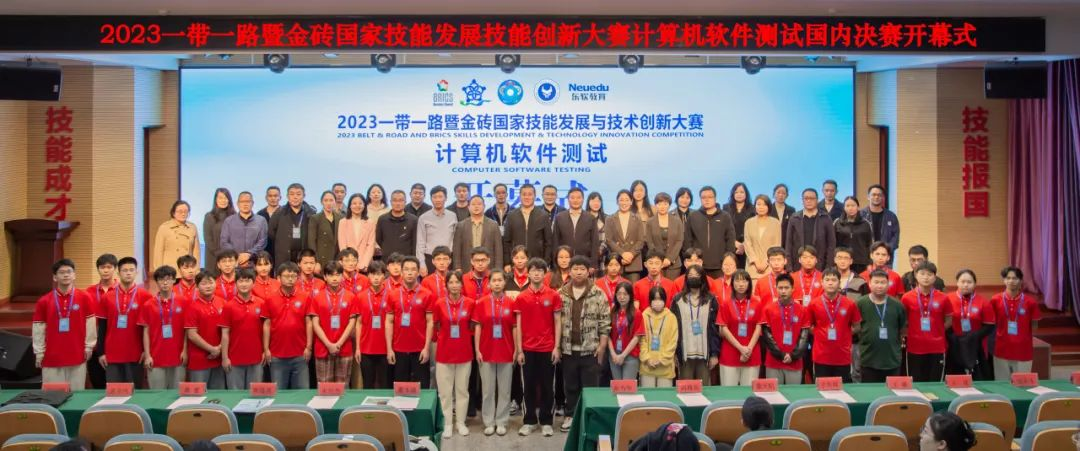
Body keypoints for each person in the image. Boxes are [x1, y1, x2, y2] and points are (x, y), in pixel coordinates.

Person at [558, 256, 610, 432]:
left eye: (582, 269)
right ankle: (570, 416)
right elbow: (555, 322)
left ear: (588, 272)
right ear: (570, 271)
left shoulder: (598, 293)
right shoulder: (561, 293)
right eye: (575, 269)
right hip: (568, 349)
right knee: (570, 386)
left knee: (590, 387)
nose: (578, 272)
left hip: (591, 349)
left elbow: (605, 323)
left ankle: (590, 419)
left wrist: (602, 347)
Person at [514, 258, 562, 437]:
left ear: (545, 273)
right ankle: (529, 421)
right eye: (533, 270)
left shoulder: (553, 295)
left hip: (548, 348)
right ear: (528, 273)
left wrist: (556, 347)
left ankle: (546, 421)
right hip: (527, 349)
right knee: (528, 387)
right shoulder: (521, 297)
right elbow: (518, 324)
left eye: (540, 271)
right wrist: (519, 350)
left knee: (548, 387)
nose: (536, 274)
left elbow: (558, 322)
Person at [34, 259, 96, 389]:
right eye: (61, 272)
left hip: (77, 354)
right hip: (52, 356)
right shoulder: (44, 301)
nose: (66, 275)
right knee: (52, 394)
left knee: (77, 394)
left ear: (74, 275)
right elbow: (38, 328)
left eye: (69, 272)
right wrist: (39, 352)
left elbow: (90, 324)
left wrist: (89, 346)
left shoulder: (84, 297)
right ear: (55, 277)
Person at [473, 271, 518, 436]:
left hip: (506, 350)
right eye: (494, 280)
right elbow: (478, 327)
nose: (497, 283)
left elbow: (515, 327)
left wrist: (516, 349)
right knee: (488, 390)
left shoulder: (511, 303)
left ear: (504, 283)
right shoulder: (481, 303)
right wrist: (477, 349)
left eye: (500, 280)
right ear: (489, 283)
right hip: (486, 351)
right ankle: (489, 422)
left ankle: (502, 421)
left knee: (505, 390)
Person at [432, 270, 474, 438]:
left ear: (462, 285)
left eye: (457, 282)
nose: (454, 285)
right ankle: (447, 423)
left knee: (462, 390)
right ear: (446, 285)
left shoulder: (470, 303)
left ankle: (461, 422)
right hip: (444, 354)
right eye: (451, 282)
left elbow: (472, 327)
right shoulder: (439, 304)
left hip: (464, 353)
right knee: (445, 392)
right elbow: (436, 326)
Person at [262, 262, 313, 389]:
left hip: (300, 354)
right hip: (277, 355)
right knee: (279, 394)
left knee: (302, 393)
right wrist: (266, 349)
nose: (290, 279)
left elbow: (309, 322)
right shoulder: (270, 299)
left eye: (293, 276)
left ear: (298, 278)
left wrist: (309, 347)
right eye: (286, 276)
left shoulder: (305, 297)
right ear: (278, 278)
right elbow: (266, 325)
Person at [386, 256, 435, 388]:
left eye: (413, 269)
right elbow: (389, 322)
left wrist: (426, 348)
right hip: (398, 349)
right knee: (400, 389)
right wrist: (389, 349)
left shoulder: (427, 294)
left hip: (420, 349)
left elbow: (430, 322)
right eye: (406, 269)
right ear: (402, 272)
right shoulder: (392, 294)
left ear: (418, 272)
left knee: (422, 388)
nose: (409, 273)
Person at [97, 256, 148, 385]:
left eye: (131, 270)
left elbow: (148, 328)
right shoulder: (107, 297)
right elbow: (102, 327)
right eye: (125, 270)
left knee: (135, 393)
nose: (128, 273)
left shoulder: (145, 296)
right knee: (114, 392)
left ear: (136, 272)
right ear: (118, 273)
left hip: (136, 354)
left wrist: (146, 351)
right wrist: (101, 352)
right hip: (112, 354)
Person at [902, 261, 952, 382]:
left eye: (929, 274)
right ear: (916, 275)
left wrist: (937, 331)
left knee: (935, 383)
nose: (926, 277)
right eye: (922, 274)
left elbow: (949, 320)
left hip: (937, 347)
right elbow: (903, 321)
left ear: (935, 277)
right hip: (914, 347)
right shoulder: (907, 297)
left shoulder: (944, 298)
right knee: (915, 384)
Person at [808, 268, 862, 382]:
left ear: (839, 283)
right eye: (827, 280)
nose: (830, 283)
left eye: (834, 280)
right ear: (822, 283)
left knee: (842, 388)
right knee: (822, 388)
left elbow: (857, 326)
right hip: (821, 356)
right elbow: (809, 326)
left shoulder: (850, 303)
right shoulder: (814, 304)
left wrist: (844, 334)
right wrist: (820, 333)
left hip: (843, 356)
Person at [308, 262, 357, 383]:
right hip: (323, 348)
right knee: (325, 387)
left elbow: (352, 323)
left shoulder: (351, 296)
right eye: (331, 275)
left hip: (344, 348)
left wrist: (339, 343)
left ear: (342, 276)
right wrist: (328, 344)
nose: (335, 278)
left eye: (337, 275)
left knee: (343, 386)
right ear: (325, 277)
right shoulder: (317, 297)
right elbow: (315, 324)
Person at [140, 265, 187, 389]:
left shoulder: (184, 302)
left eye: (168, 279)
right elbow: (146, 331)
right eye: (161, 279)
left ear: (174, 280)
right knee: (157, 394)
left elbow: (187, 330)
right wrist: (148, 355)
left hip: (178, 357)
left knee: (177, 394)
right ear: (156, 281)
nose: (165, 283)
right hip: (156, 357)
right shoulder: (148, 305)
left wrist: (185, 351)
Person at [855, 270, 907, 383]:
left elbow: (902, 329)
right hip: (868, 359)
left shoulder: (897, 305)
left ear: (888, 284)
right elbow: (856, 327)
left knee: (892, 391)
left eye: (883, 282)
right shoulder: (860, 303)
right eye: (876, 282)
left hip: (892, 359)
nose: (879, 286)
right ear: (869, 284)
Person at [991, 266, 1041, 381]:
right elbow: (992, 324)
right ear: (1004, 280)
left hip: (1023, 350)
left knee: (1023, 383)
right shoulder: (995, 300)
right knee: (1002, 383)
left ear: (1021, 280)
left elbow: (1034, 325)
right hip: (1001, 349)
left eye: (1015, 278)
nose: (1011, 281)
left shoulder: (1030, 302)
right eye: (1008, 278)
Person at [760, 273, 810, 384]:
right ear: (776, 288)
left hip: (795, 361)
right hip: (773, 361)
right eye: (780, 288)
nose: (783, 291)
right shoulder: (768, 309)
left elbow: (804, 336)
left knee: (793, 393)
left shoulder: (802, 310)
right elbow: (767, 336)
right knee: (774, 393)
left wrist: (793, 355)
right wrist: (781, 354)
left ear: (793, 289)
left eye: (786, 288)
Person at [220, 268, 265, 389]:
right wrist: (225, 358)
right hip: (234, 359)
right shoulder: (228, 306)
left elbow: (265, 331)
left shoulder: (261, 303)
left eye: (247, 281)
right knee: (235, 396)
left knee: (255, 394)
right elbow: (225, 334)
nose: (244, 284)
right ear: (235, 284)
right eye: (240, 281)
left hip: (256, 358)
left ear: (254, 283)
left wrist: (265, 351)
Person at [946, 269, 995, 379]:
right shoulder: (948, 299)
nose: (966, 285)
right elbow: (943, 320)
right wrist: (952, 336)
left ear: (975, 284)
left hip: (976, 346)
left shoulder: (983, 302)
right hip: (953, 345)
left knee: (977, 379)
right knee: (955, 379)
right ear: (957, 282)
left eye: (969, 282)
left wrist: (973, 336)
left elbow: (989, 326)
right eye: (962, 281)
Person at [716, 269, 760, 386]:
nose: (741, 284)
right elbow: (723, 328)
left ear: (749, 283)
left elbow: (759, 327)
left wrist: (748, 350)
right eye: (737, 281)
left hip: (752, 354)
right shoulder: (725, 303)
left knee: (749, 392)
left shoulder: (757, 302)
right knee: (729, 392)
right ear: (732, 283)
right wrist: (740, 348)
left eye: (744, 281)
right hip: (730, 354)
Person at [185, 270, 226, 389]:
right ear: (197, 287)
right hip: (199, 359)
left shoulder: (222, 302)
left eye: (210, 282)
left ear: (216, 284)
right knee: (198, 394)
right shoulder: (192, 307)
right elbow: (192, 335)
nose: (208, 286)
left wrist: (219, 348)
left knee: (218, 395)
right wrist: (212, 349)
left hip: (219, 357)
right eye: (203, 283)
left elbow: (228, 330)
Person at [686, 186, 736, 279]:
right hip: (699, 265)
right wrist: (692, 260)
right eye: (703, 197)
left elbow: (730, 239)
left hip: (720, 265)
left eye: (710, 197)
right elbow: (688, 240)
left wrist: (728, 260)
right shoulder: (693, 216)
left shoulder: (725, 216)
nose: (707, 200)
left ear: (715, 198)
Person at [355, 261, 392, 389]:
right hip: (366, 348)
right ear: (368, 276)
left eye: (379, 274)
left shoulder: (391, 296)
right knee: (368, 384)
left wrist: (391, 348)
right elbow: (359, 323)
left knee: (385, 385)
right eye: (373, 274)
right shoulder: (360, 296)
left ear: (384, 276)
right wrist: (358, 348)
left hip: (385, 348)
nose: (376, 278)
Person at [87, 254, 119, 388]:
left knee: (117, 385)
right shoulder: (88, 292)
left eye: (109, 267)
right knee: (98, 384)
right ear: (98, 269)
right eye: (102, 267)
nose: (106, 270)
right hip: (95, 343)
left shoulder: (121, 290)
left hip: (116, 342)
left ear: (115, 269)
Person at [503, 184, 552, 269]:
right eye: (524, 194)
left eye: (530, 194)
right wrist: (507, 263)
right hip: (516, 262)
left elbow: (548, 242)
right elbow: (506, 241)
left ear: (535, 196)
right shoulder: (511, 215)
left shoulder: (543, 215)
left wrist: (546, 263)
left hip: (537, 262)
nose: (527, 197)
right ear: (520, 196)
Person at [785, 188, 836, 272]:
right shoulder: (794, 218)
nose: (809, 201)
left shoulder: (826, 218)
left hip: (820, 266)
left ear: (817, 200)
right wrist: (789, 268)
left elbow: (831, 245)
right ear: (802, 200)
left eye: (812, 198)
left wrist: (828, 268)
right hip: (797, 266)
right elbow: (788, 244)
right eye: (806, 198)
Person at [269, 183, 317, 267]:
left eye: (298, 194)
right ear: (287, 196)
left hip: (304, 258)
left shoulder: (311, 214)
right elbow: (271, 234)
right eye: (292, 194)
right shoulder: (279, 213)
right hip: (284, 257)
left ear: (304, 196)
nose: (295, 197)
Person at [638, 286, 677, 388]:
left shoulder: (671, 317)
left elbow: (673, 342)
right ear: (650, 300)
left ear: (664, 300)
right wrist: (647, 359)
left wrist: (661, 359)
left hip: (665, 368)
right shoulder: (643, 316)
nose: (657, 302)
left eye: (660, 299)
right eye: (655, 299)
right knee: (648, 396)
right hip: (647, 367)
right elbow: (641, 341)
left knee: (663, 396)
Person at [554, 187, 601, 269]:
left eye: (578, 198)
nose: (575, 200)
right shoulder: (560, 217)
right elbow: (555, 241)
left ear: (583, 199)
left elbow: (595, 243)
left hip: (585, 262)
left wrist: (593, 264)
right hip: (564, 262)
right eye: (572, 198)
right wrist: (555, 263)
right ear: (568, 199)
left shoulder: (590, 218)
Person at [453, 195, 504, 271]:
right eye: (473, 204)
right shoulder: (461, 225)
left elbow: (498, 249)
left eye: (479, 204)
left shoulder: (493, 225)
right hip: (467, 268)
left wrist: (498, 269)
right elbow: (457, 249)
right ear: (468, 207)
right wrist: (457, 267)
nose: (476, 206)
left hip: (489, 268)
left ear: (484, 206)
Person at [220, 191, 268, 269]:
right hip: (234, 264)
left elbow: (262, 242)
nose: (245, 204)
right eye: (242, 202)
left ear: (252, 203)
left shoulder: (261, 220)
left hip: (254, 265)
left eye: (248, 201)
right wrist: (238, 255)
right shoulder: (229, 221)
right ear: (237, 204)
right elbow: (224, 242)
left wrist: (249, 254)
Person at [417, 186, 457, 276]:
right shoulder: (423, 217)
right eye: (434, 197)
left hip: (448, 259)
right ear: (431, 199)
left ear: (446, 198)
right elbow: (420, 243)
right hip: (430, 259)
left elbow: (456, 240)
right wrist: (421, 264)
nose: (437, 200)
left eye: (440, 197)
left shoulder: (452, 216)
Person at [607, 190, 645, 282]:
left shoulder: (637, 218)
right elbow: (609, 240)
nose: (624, 203)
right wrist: (622, 254)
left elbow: (641, 240)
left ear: (631, 202)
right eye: (621, 200)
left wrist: (631, 254)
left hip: (633, 262)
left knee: (633, 289)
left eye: (627, 200)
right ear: (617, 202)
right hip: (616, 261)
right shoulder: (610, 219)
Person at [608, 282, 644, 382]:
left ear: (630, 295)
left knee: (627, 387)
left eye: (625, 294)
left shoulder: (637, 313)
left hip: (630, 355)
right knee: (617, 387)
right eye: (619, 294)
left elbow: (637, 337)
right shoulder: (612, 312)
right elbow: (607, 335)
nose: (622, 297)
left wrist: (623, 355)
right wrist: (613, 354)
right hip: (614, 355)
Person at [645, 192, 685, 280]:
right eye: (659, 204)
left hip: (674, 263)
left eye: (665, 204)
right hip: (656, 264)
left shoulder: (677, 221)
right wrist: (658, 259)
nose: (662, 207)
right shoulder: (650, 222)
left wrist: (670, 258)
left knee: (672, 287)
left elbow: (679, 241)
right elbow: (649, 242)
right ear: (656, 205)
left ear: (669, 205)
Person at [153, 200, 200, 271]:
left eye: (186, 211)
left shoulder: (192, 227)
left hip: (187, 268)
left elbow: (196, 252)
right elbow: (158, 252)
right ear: (173, 213)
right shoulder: (164, 227)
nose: (183, 214)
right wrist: (158, 271)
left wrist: (196, 269)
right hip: (169, 269)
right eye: (180, 211)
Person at [744, 194, 782, 281]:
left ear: (768, 206)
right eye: (758, 204)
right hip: (753, 267)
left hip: (770, 266)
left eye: (764, 204)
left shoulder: (775, 223)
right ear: (755, 206)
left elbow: (777, 245)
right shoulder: (749, 223)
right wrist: (756, 262)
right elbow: (747, 244)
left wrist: (766, 262)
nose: (761, 207)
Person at [859, 184, 900, 262]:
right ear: (868, 197)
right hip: (865, 257)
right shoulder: (860, 215)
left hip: (885, 258)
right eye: (873, 195)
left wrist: (885, 250)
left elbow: (895, 237)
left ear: (883, 198)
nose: (876, 197)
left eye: (879, 195)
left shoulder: (891, 216)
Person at [376, 190, 419, 261]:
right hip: (387, 260)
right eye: (395, 200)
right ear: (390, 202)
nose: (398, 203)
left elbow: (415, 242)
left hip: (406, 261)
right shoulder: (382, 219)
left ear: (405, 202)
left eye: (401, 200)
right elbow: (378, 239)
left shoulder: (413, 220)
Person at [338, 193, 376, 272]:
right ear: (350, 206)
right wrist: (350, 263)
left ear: (364, 205)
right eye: (354, 203)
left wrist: (363, 264)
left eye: (360, 203)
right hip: (348, 264)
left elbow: (370, 245)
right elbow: (343, 245)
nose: (357, 206)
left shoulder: (370, 223)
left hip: (365, 266)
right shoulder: (343, 222)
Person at [834, 196, 872, 274]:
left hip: (861, 262)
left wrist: (870, 262)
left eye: (853, 205)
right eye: (847, 206)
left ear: (858, 207)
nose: (850, 208)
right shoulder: (837, 223)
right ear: (844, 207)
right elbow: (833, 243)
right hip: (843, 261)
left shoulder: (866, 224)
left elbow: (870, 244)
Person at [307, 191, 342, 273]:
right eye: (326, 200)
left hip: (336, 257)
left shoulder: (340, 218)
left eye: (331, 200)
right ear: (321, 202)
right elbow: (311, 242)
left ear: (335, 201)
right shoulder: (315, 218)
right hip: (321, 259)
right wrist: (315, 261)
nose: (329, 203)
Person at [723, 183, 755, 269]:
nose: (739, 194)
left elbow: (753, 229)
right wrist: (735, 242)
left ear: (746, 194)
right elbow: (723, 228)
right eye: (736, 192)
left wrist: (744, 245)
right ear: (733, 194)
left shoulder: (753, 209)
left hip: (747, 247)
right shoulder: (726, 208)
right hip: (730, 245)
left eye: (741, 192)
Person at [202, 188, 235, 271]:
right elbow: (208, 239)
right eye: (220, 198)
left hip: (230, 258)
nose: (223, 200)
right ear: (215, 200)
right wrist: (220, 255)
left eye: (225, 198)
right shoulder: (209, 216)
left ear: (229, 200)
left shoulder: (235, 216)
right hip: (213, 257)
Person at [257, 186, 282, 255]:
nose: (273, 198)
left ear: (280, 197)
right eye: (270, 196)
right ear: (266, 198)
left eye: (275, 196)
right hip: (264, 251)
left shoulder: (285, 213)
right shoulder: (260, 214)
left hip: (281, 250)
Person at [587, 192, 609, 267]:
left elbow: (608, 237)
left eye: (598, 201)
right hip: (586, 255)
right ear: (588, 202)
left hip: (602, 255)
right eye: (593, 201)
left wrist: (600, 249)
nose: (596, 203)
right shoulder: (584, 217)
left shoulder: (607, 218)